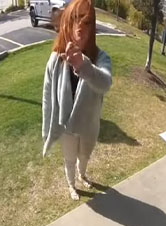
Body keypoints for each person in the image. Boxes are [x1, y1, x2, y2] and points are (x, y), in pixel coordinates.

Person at [41, 0, 113, 200]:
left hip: (88, 124)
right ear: (67, 23)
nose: (81, 26)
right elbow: (47, 96)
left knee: (84, 156)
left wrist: (84, 66)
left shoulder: (100, 58)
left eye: (87, 21)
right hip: (66, 125)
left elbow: (105, 83)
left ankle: (83, 175)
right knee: (70, 159)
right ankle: (72, 185)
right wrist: (47, 128)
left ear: (93, 27)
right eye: (76, 18)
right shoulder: (55, 59)